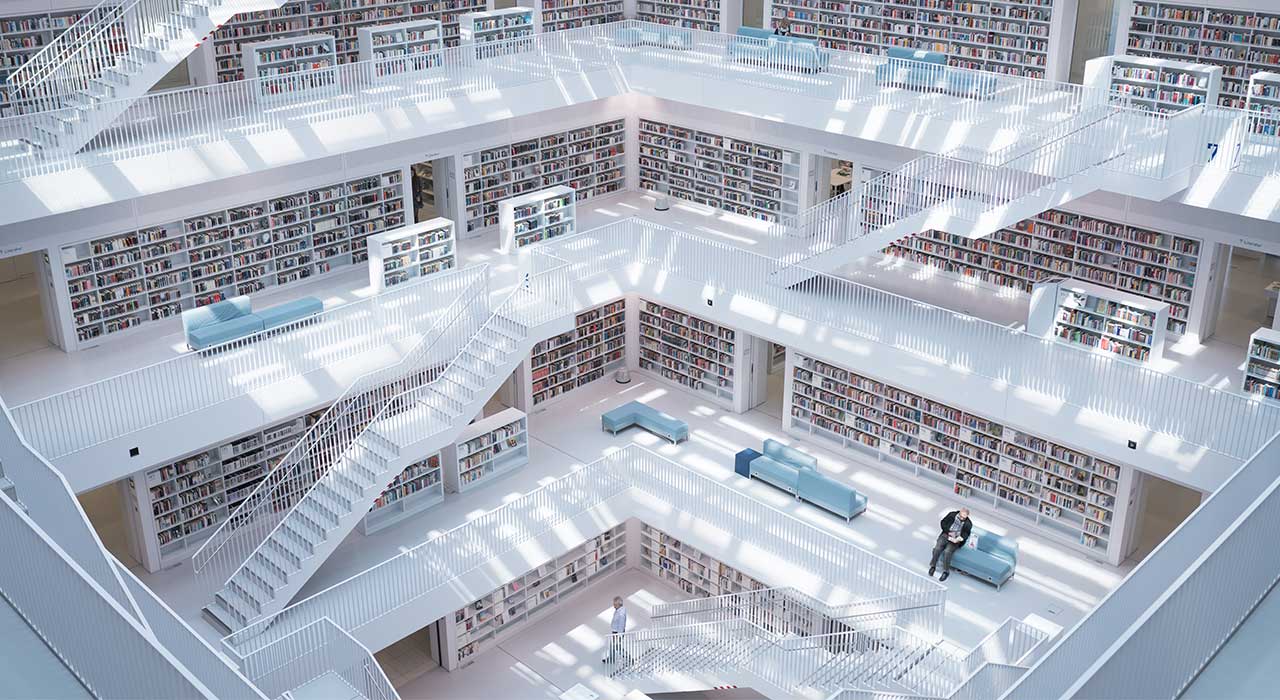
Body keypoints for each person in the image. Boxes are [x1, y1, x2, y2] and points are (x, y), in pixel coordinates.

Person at [928, 508, 971, 581]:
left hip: (956, 539)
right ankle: (933, 566)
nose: (962, 519)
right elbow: (943, 522)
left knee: (947, 552)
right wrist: (948, 532)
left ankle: (946, 571)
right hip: (946, 534)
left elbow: (966, 534)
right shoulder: (952, 515)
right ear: (959, 513)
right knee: (937, 548)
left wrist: (960, 538)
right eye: (961, 517)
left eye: (964, 518)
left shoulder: (968, 523)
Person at [602, 596, 628, 663]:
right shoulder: (618, 610)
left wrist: (618, 635)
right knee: (612, 646)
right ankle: (611, 658)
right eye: (614, 604)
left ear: (619, 604)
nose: (613, 606)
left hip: (617, 633)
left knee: (616, 647)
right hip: (615, 632)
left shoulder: (621, 613)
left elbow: (621, 625)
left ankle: (628, 657)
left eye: (615, 604)